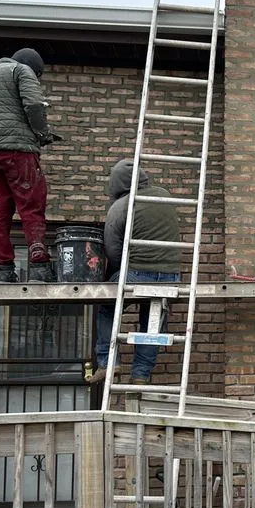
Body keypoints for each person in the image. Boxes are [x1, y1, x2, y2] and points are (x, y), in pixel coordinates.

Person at [87, 159, 181, 385]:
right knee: (152, 322)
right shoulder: (165, 197)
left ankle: (109, 362)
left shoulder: (120, 207)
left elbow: (113, 251)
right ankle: (140, 374)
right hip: (170, 278)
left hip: (137, 274)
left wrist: (118, 273)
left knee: (107, 306)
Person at [0, 48, 60, 283]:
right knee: (31, 204)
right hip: (18, 150)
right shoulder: (21, 70)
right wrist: (42, 133)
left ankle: (3, 270)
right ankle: (40, 268)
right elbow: (34, 105)